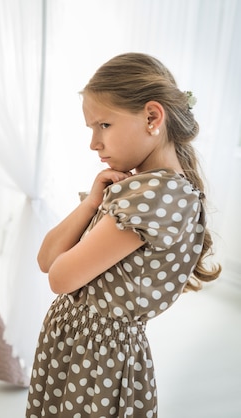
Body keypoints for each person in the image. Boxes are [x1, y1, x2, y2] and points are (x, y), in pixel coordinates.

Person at [26, 53, 221, 417]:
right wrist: (91, 204)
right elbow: (45, 259)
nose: (94, 143)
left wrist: (99, 212)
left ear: (152, 117)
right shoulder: (131, 190)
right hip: (78, 347)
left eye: (103, 125)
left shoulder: (157, 196)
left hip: (97, 361)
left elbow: (60, 277)